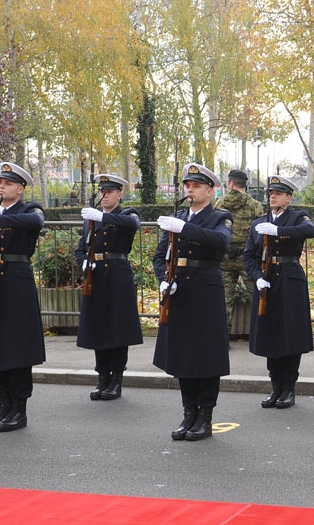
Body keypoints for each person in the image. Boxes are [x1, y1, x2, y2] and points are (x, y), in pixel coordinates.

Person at [153, 164, 232, 441]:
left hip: (205, 291)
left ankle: (205, 416)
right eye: (187, 185)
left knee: (205, 355)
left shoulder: (220, 217)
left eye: (196, 186)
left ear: (210, 191)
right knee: (183, 354)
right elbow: (159, 255)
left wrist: (185, 228)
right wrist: (163, 279)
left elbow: (220, 241)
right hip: (180, 291)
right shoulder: (177, 217)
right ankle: (189, 413)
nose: (190, 189)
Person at [0, 162, 46, 432]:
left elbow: (36, 222)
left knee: (17, 347)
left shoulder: (29, 210)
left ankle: (18, 409)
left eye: (8, 183)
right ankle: (3, 403)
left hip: (16, 284)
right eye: (0, 183)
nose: (2, 187)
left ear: (20, 189)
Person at [242, 175, 314, 408]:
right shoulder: (259, 223)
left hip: (289, 280)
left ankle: (289, 388)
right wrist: (257, 278)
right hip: (266, 280)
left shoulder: (297, 217)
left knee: (290, 334)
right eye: (270, 193)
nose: (272, 197)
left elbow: (309, 230)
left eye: (278, 193)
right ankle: (275, 386)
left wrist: (278, 231)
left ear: (288, 197)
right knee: (270, 333)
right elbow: (248, 256)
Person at [75, 173, 143, 401]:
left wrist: (102, 217)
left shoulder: (127, 214)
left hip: (117, 275)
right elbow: (80, 249)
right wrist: (84, 263)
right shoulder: (91, 219)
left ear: (119, 194)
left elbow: (132, 224)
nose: (104, 196)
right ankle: (102, 376)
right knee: (99, 327)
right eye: (102, 192)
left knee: (117, 328)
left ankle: (116, 379)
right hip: (96, 276)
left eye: (109, 192)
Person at [217, 168, 263, 336]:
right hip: (247, 258)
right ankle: (261, 334)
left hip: (225, 257)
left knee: (224, 300)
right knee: (257, 296)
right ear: (245, 184)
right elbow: (260, 233)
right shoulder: (255, 205)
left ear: (230, 183)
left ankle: (222, 336)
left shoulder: (219, 204)